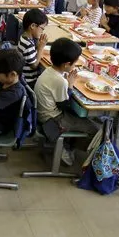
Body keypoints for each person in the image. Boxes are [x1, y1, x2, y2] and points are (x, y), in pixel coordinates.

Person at [34, 37, 99, 165]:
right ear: (66, 65)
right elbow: (64, 105)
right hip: (53, 119)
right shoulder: (60, 81)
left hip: (41, 113)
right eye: (74, 63)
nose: (75, 66)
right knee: (95, 129)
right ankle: (67, 148)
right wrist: (69, 86)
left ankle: (67, 144)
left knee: (81, 118)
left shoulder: (49, 70)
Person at [17, 9, 49, 87]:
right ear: (33, 26)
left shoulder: (25, 36)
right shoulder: (28, 44)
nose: (42, 31)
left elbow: (33, 50)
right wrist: (41, 48)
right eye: (42, 28)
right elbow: (34, 65)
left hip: (24, 77)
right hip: (29, 81)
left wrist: (39, 42)